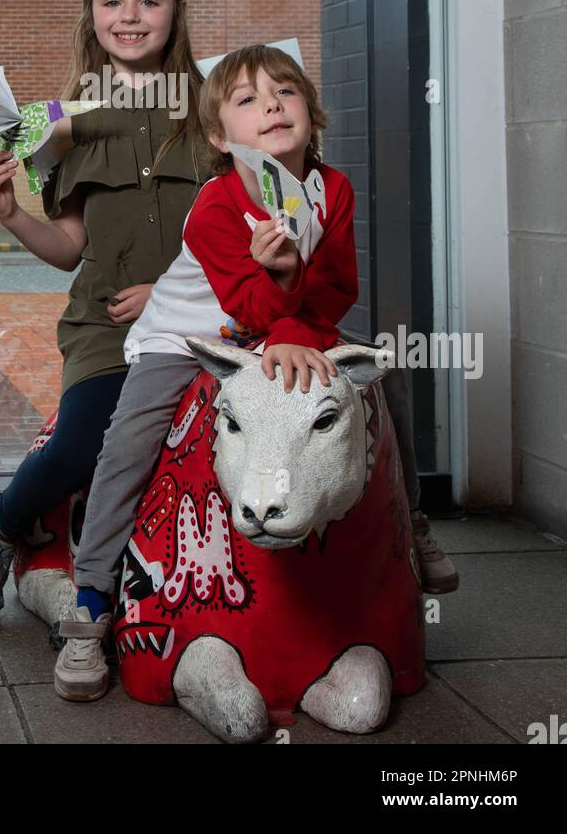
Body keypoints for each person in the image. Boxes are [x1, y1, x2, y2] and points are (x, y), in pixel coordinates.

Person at [53, 43, 458, 702]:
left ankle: (412, 522)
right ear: (218, 135)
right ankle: (92, 599)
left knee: (388, 377)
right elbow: (245, 307)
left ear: (312, 113)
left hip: (289, 327)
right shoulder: (216, 205)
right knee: (128, 442)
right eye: (247, 99)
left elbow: (336, 291)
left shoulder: (334, 190)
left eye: (285, 91)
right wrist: (280, 275)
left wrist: (299, 322)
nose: (271, 104)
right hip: (191, 332)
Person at [0, 0, 211, 629]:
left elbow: (247, 230)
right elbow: (67, 249)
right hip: (109, 331)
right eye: (111, 1)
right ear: (90, 15)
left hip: (207, 323)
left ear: (176, 11)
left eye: (149, 1)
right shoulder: (59, 127)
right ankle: (1, 528)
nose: (130, 16)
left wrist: (176, 289)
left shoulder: (217, 112)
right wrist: (7, 215)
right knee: (80, 445)